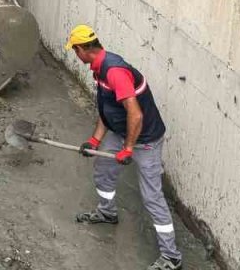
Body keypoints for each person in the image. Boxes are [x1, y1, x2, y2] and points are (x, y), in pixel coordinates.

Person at [67, 24, 182, 270]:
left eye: (74, 50)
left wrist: (129, 148)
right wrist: (95, 141)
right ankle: (107, 212)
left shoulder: (114, 71)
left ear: (81, 49)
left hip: (145, 140)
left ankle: (171, 256)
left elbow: (136, 114)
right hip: (121, 132)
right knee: (103, 168)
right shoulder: (99, 69)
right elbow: (107, 110)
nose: (75, 55)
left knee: (151, 196)